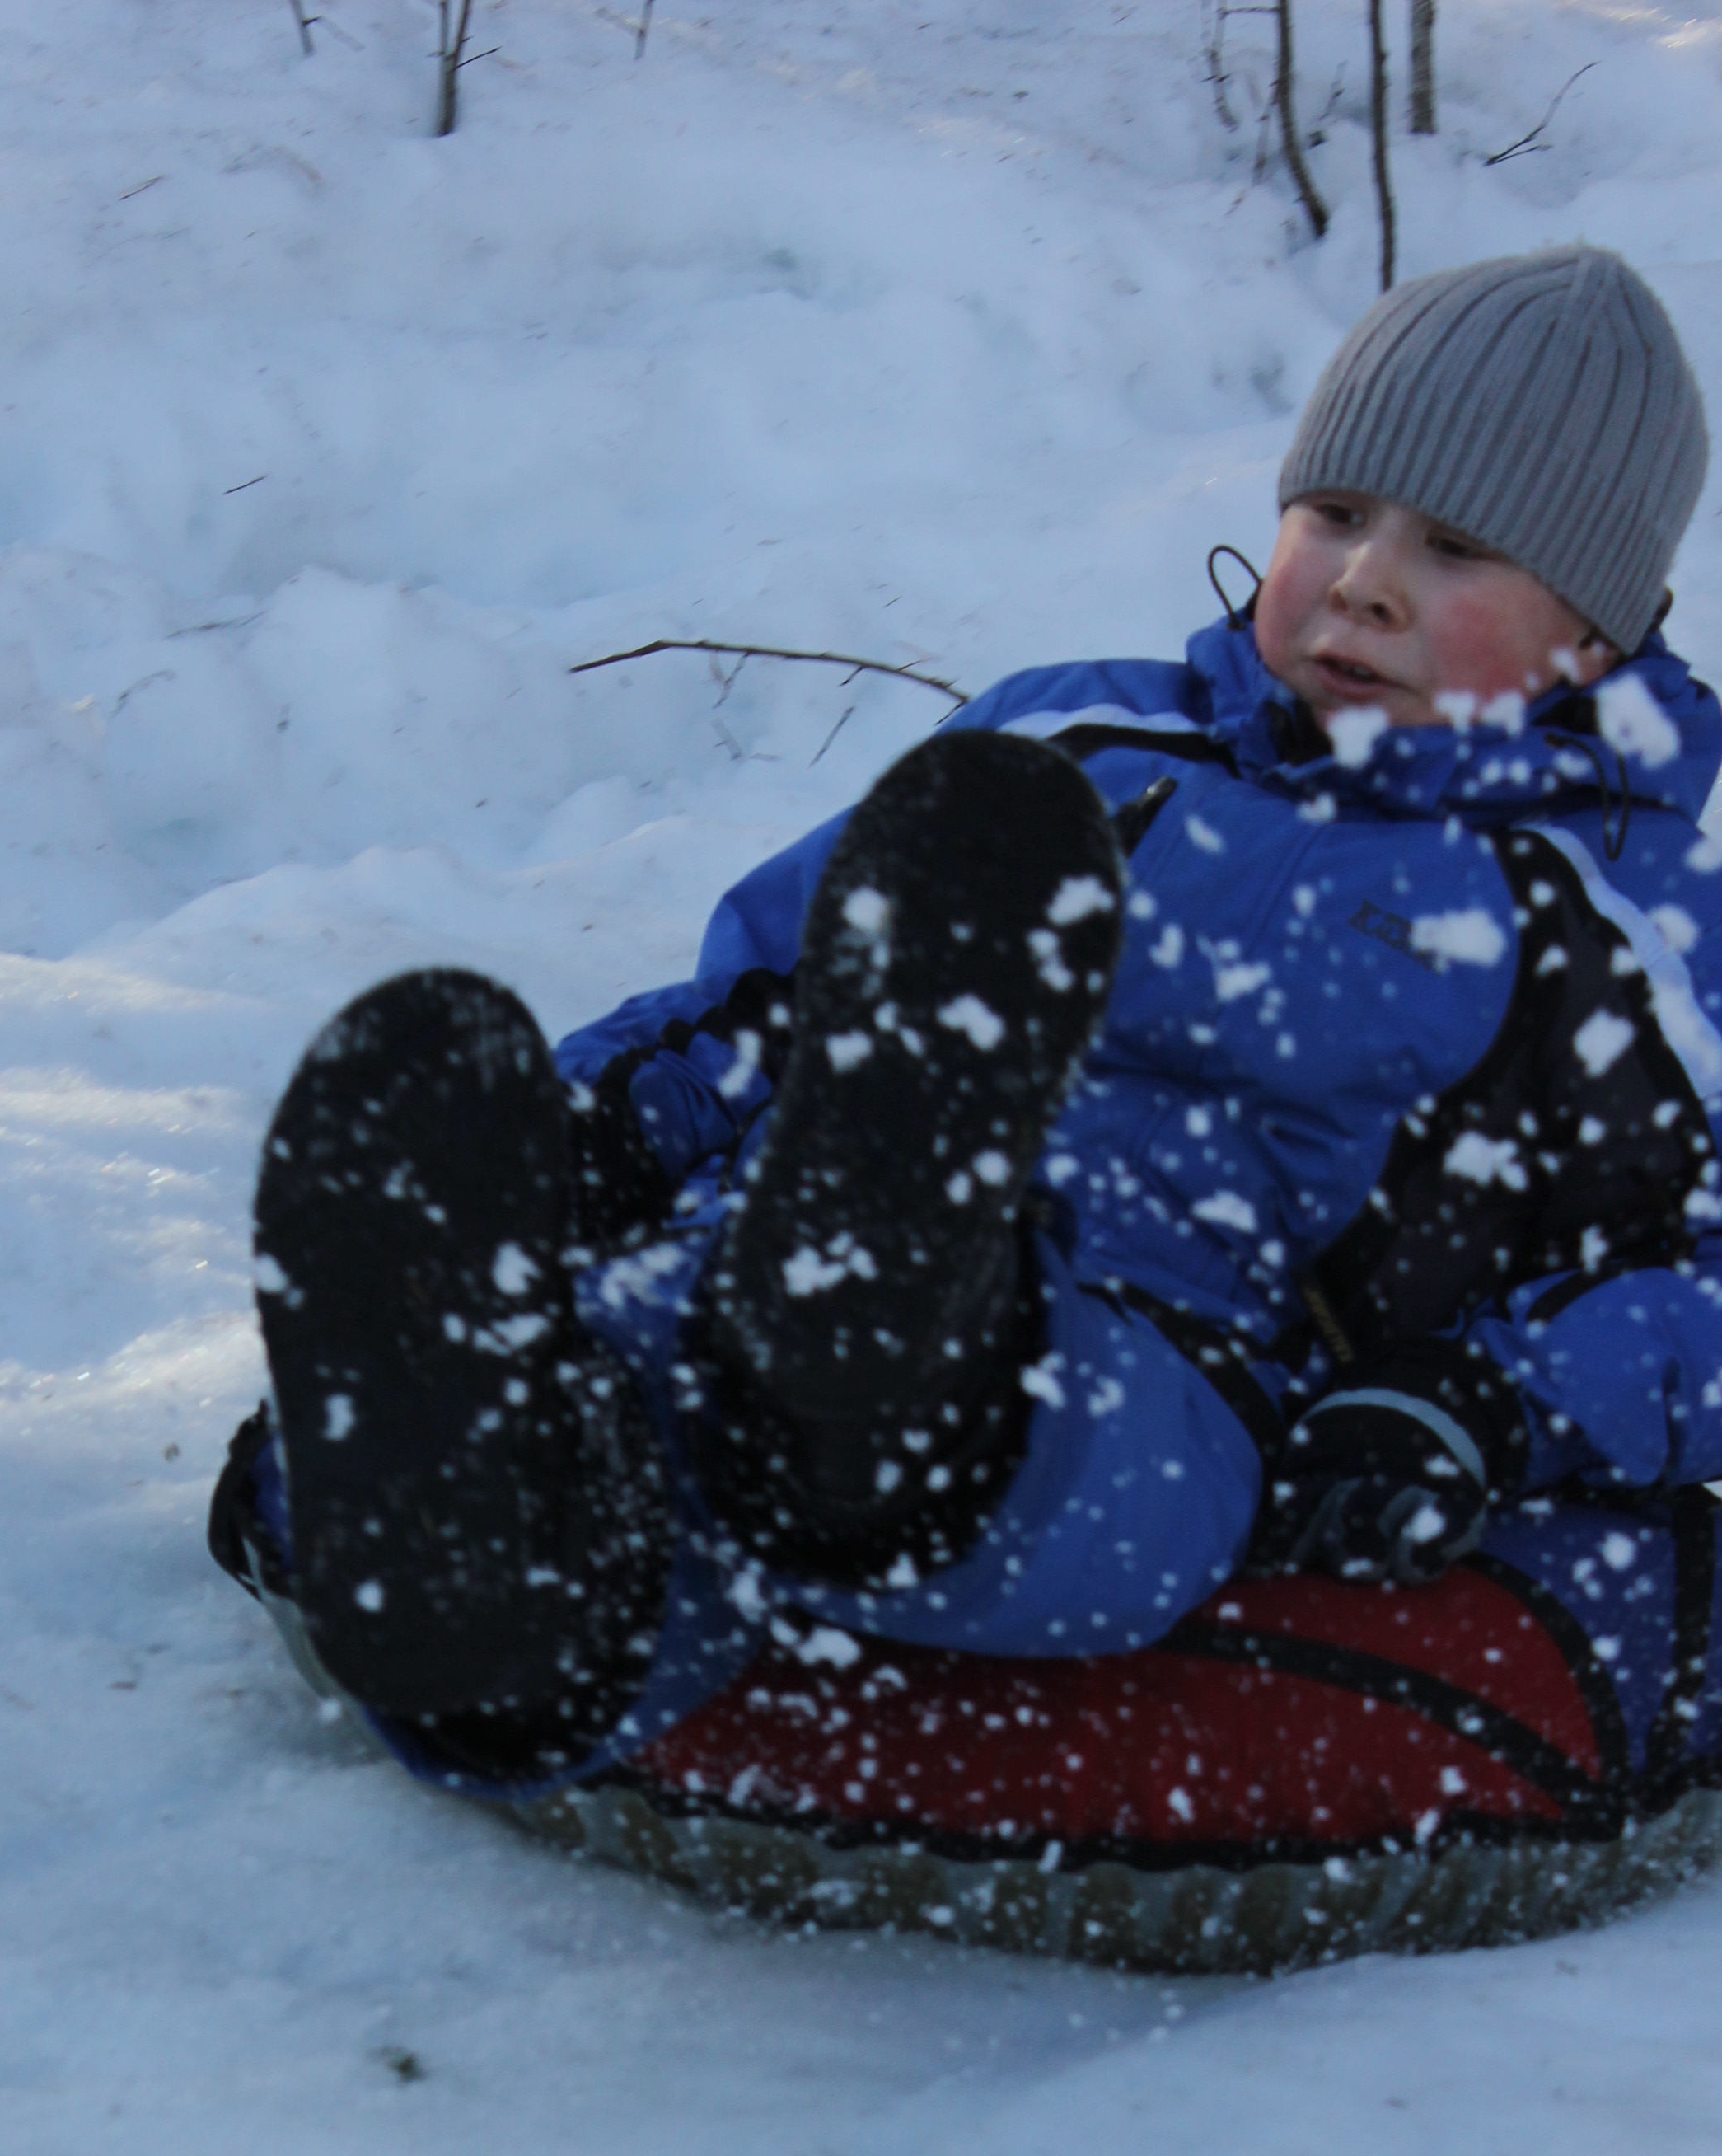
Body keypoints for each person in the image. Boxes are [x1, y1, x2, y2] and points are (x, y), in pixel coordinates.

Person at [213, 245, 1722, 1809]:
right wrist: (589, 1135)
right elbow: (775, 997)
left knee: (1004, 1448)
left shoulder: (1620, 922)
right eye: (1334, 514)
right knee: (652, 1375)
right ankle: (473, 1525)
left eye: (1454, 548)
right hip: (774, 1237)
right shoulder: (1074, 741)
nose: (1365, 581)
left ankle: (878, 1354)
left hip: (1188, 1358)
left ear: (1593, 641)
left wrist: (1488, 1401)